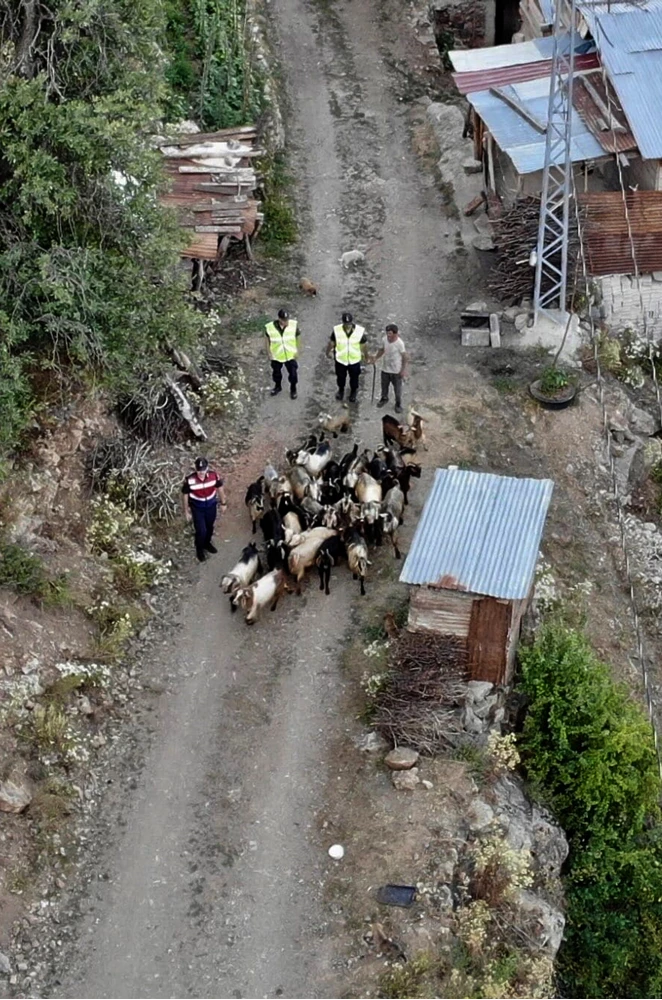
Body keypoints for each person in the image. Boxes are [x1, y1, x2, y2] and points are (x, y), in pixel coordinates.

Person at [181, 457, 227, 562]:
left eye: (203, 470)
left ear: (207, 468)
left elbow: (220, 489)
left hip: (211, 506)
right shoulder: (190, 480)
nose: (201, 472)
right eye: (199, 470)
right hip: (197, 508)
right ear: (195, 469)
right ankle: (199, 549)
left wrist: (223, 503)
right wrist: (186, 511)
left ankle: (207, 543)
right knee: (201, 530)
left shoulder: (214, 476)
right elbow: (185, 495)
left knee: (210, 527)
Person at [325, 311, 368, 403]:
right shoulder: (337, 331)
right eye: (346, 324)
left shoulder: (359, 331)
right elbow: (332, 343)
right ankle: (341, 390)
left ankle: (353, 392)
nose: (348, 326)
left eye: (349, 324)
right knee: (340, 377)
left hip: (354, 360)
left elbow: (364, 345)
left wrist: (366, 355)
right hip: (341, 359)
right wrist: (328, 352)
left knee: (354, 378)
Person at [369, 323, 408, 413]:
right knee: (384, 386)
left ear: (395, 333)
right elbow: (382, 350)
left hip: (396, 371)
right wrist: (376, 358)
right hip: (385, 368)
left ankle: (398, 404)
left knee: (397, 389)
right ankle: (384, 398)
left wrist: (403, 370)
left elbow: (404, 357)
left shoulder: (400, 344)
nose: (388, 335)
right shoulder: (384, 339)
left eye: (390, 333)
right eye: (387, 333)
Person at [265, 308, 300, 399]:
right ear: (279, 319)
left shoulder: (293, 325)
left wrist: (298, 350)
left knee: (293, 374)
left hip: (290, 355)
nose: (286, 322)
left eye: (287, 319)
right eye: (284, 320)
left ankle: (293, 389)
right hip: (276, 355)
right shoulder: (270, 328)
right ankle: (277, 387)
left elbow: (298, 338)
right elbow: (267, 340)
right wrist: (269, 353)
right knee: (276, 373)